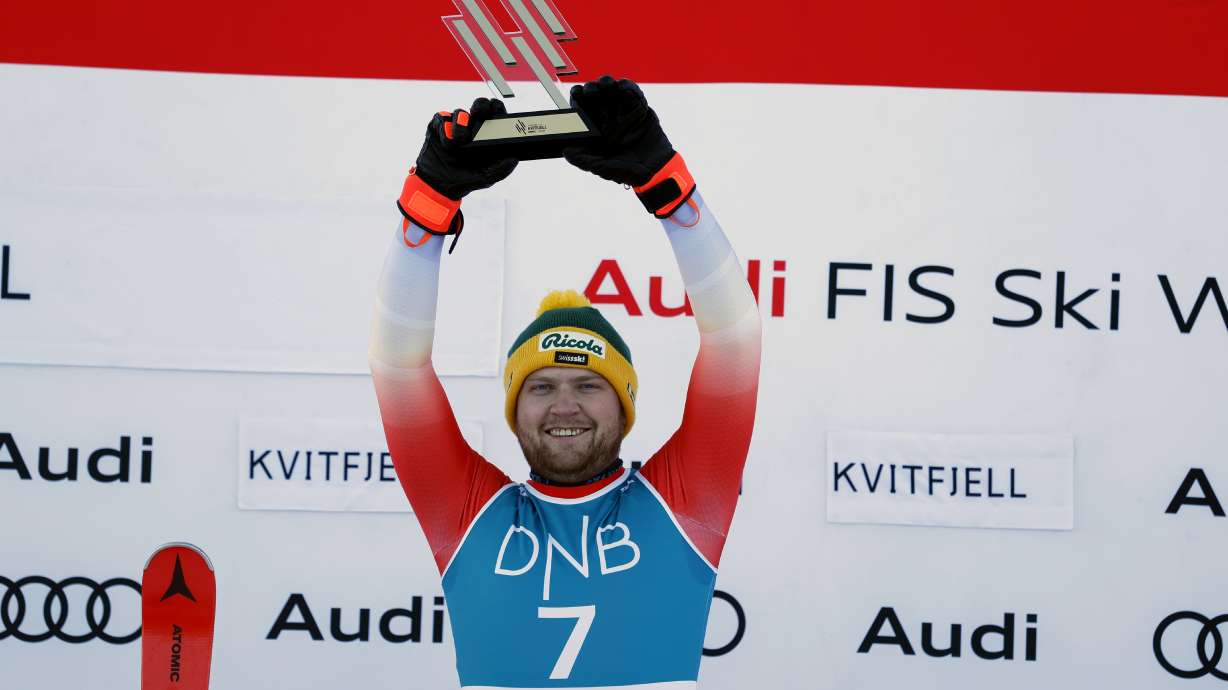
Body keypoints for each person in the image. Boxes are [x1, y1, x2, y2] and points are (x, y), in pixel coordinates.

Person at [370, 76, 761, 689]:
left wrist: (670, 189)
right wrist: (425, 210)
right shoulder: (467, 514)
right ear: (514, 409)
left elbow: (734, 338)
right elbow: (398, 368)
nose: (564, 406)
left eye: (588, 385)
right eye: (541, 387)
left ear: (625, 406)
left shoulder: (684, 502)